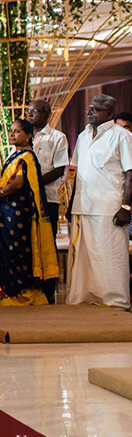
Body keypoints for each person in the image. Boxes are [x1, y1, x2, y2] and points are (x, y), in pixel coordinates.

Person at [0, 119, 59, 306]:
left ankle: (17, 294)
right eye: (11, 130)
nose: (11, 134)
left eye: (17, 131)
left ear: (28, 136)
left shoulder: (26, 156)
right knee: (3, 251)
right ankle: (1, 292)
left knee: (15, 252)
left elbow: (18, 184)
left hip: (18, 212)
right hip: (6, 210)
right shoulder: (15, 155)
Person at [67, 95, 132, 309]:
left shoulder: (122, 136)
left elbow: (130, 174)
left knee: (110, 256)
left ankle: (115, 301)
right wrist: (72, 204)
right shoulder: (83, 135)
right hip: (83, 204)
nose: (90, 112)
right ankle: (84, 298)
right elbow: (79, 173)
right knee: (85, 257)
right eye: (89, 109)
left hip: (109, 207)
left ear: (110, 113)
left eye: (95, 109)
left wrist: (126, 207)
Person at [24, 99, 70, 302]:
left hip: (47, 199)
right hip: (24, 200)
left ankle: (48, 289)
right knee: (27, 243)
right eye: (28, 111)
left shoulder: (57, 137)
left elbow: (59, 169)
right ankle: (28, 287)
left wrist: (33, 183)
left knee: (47, 244)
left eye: (34, 111)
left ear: (46, 114)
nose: (29, 115)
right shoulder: (24, 136)